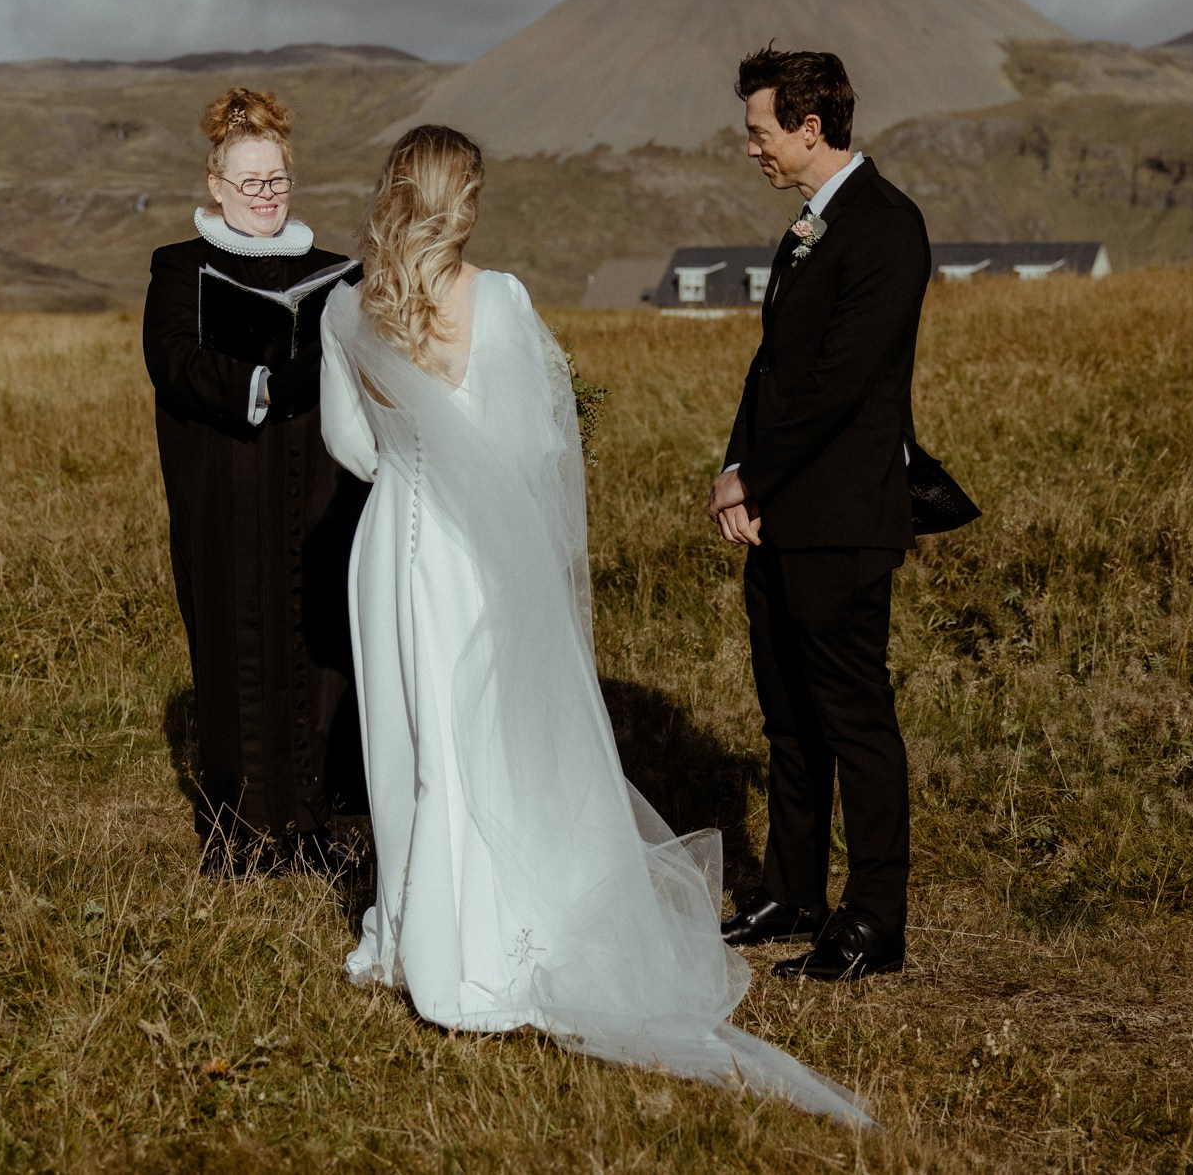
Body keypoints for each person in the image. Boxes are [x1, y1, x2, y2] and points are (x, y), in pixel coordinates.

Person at [320, 125, 869, 1124]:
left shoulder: (343, 309)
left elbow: (350, 449)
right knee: (489, 740)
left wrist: (411, 446)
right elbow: (534, 446)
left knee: (406, 740)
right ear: (468, 202)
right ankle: (493, 943)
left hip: (391, 552)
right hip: (479, 555)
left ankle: (416, 941)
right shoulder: (506, 300)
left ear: (392, 193)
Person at [708, 45, 931, 982]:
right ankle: (791, 890)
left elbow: (841, 385)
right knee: (788, 717)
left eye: (760, 131)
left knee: (854, 717)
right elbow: (776, 369)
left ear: (809, 127)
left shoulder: (885, 227)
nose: (751, 147)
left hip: (843, 515)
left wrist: (752, 477)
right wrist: (735, 462)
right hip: (784, 513)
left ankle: (875, 915)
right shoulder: (808, 228)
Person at [143, 86, 367, 876]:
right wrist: (265, 381)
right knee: (235, 642)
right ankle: (238, 833)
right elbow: (173, 360)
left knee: (317, 640)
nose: (266, 198)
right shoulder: (179, 267)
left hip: (313, 482)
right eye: (250, 183)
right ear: (216, 183)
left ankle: (310, 822)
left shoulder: (332, 272)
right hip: (224, 485)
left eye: (277, 182)